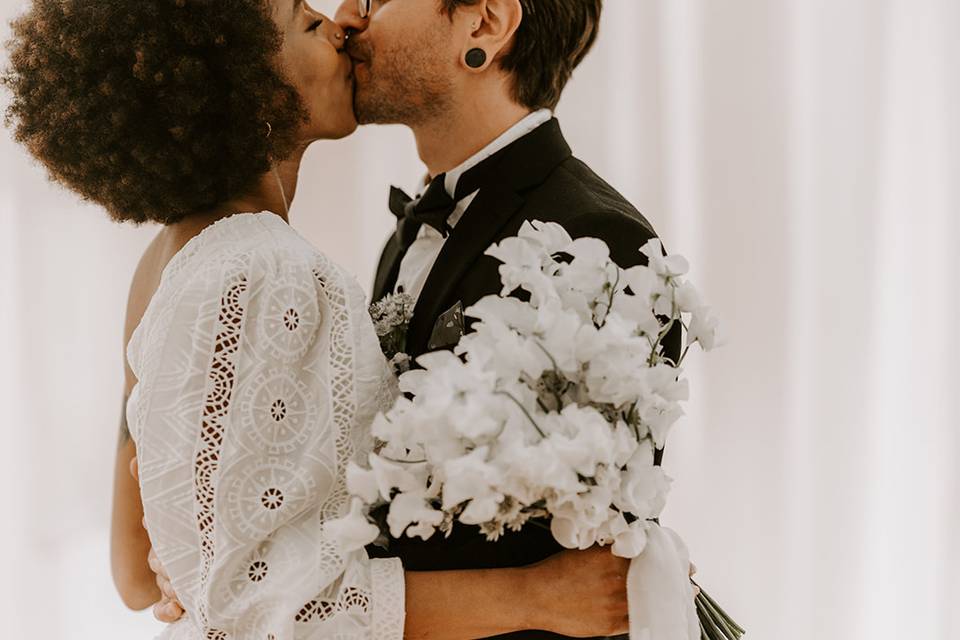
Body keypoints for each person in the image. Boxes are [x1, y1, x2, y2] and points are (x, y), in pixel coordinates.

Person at [4, 0, 634, 638]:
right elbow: (261, 603)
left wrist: (201, 567)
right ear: (246, 82)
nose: (343, 22)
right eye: (307, 22)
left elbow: (139, 576)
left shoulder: (167, 263)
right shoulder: (271, 267)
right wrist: (533, 598)